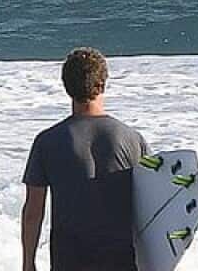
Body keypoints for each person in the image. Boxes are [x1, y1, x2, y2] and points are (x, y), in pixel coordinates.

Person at [21, 48, 150, 271]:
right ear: (102, 84)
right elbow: (151, 205)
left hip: (68, 261)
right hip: (121, 262)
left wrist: (28, 264)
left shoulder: (47, 141)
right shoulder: (132, 139)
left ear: (67, 87)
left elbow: (33, 212)